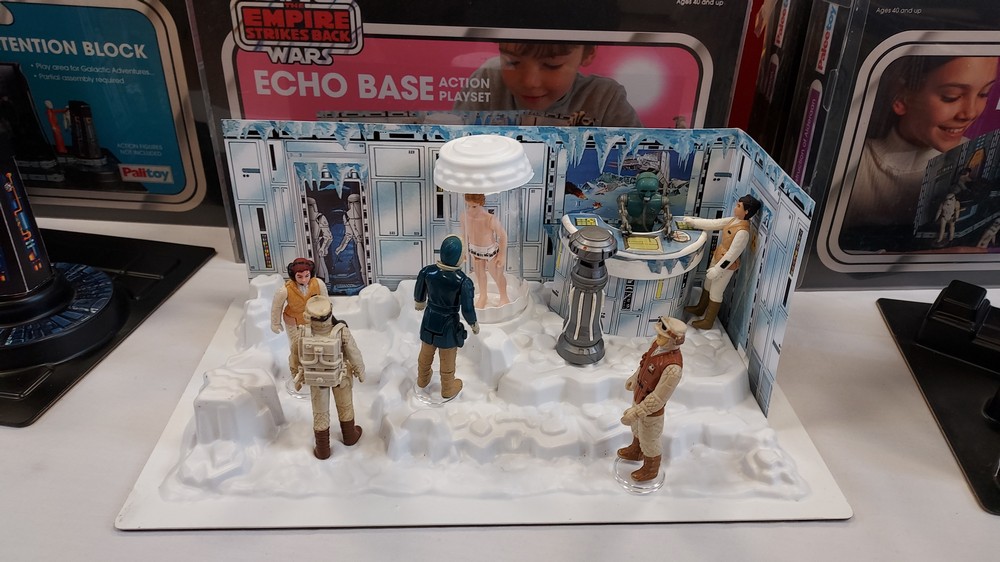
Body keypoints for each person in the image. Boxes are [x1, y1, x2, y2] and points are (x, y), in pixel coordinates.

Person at [843, 57, 997, 238]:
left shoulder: (976, 156)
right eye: (951, 97)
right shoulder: (851, 166)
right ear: (901, 98)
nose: (970, 113)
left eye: (984, 93)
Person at [453, 41, 642, 127]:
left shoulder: (606, 98)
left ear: (588, 53)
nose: (530, 82)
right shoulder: (488, 78)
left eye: (552, 65)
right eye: (512, 62)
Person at [294, 296, 365, 459]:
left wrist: (295, 375)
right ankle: (350, 436)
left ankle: (322, 449)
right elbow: (354, 353)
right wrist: (360, 371)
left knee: (320, 412)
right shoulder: (341, 331)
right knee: (345, 406)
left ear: (307, 315)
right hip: (341, 376)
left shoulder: (303, 333)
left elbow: (295, 356)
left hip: (316, 377)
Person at [618, 316, 686, 482]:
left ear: (675, 341)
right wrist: (635, 378)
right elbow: (644, 365)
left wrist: (637, 412)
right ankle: (636, 450)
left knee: (650, 438)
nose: (658, 337)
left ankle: (651, 468)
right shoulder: (657, 346)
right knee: (636, 428)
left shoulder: (673, 368)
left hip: (651, 411)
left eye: (663, 336)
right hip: (639, 396)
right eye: (659, 334)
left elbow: (658, 397)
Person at [680, 195, 762, 330]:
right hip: (717, 256)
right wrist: (694, 222)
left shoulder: (743, 232)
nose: (735, 208)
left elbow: (732, 255)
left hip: (726, 266)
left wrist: (718, 269)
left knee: (716, 291)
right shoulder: (733, 221)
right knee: (708, 284)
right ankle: (700, 308)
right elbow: (714, 223)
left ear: (747, 211)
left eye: (739, 206)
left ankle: (708, 321)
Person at [414, 235, 480, 399]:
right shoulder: (463, 281)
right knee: (447, 357)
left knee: (426, 352)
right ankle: (448, 388)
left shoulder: (428, 271)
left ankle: (422, 379)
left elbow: (419, 292)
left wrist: (419, 302)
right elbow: (467, 309)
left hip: (429, 320)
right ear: (459, 258)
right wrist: (473, 323)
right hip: (448, 325)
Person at [271, 258, 329, 379]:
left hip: (313, 320)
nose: (304, 279)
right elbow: (277, 306)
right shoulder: (285, 290)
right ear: (294, 276)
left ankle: (313, 368)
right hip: (293, 321)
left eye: (307, 276)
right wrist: (275, 323)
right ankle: (297, 371)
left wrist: (327, 317)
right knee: (296, 347)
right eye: (300, 276)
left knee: (315, 344)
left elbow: (326, 301)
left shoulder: (318, 284)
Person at [460, 193, 508, 308]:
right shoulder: (464, 216)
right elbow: (464, 234)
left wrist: (502, 255)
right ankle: (483, 296)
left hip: (490, 251)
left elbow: (503, 236)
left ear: (481, 204)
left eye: (474, 206)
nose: (471, 210)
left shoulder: (489, 218)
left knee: (496, 274)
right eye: (468, 206)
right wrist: (463, 250)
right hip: (474, 250)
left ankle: (504, 296)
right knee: (479, 274)